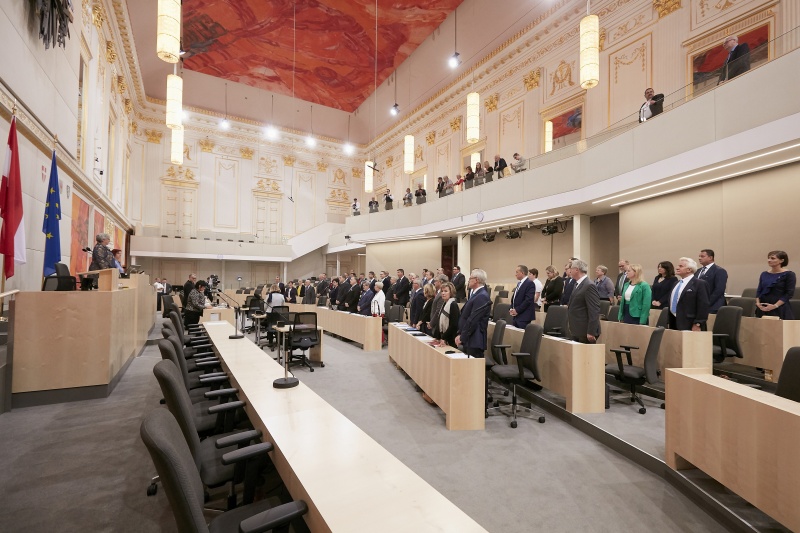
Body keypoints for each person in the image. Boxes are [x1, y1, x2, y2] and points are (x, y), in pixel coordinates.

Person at [455, 269, 492, 358]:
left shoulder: (482, 296)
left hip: (474, 340)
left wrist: (462, 337)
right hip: (470, 339)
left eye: (470, 278)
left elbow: (473, 319)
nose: (468, 280)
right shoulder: (476, 294)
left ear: (476, 280)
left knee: (473, 370)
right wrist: (460, 333)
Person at [668, 257, 710, 331]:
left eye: (681, 266)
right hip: (674, 322)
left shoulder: (699, 284)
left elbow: (703, 305)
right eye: (678, 266)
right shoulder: (676, 283)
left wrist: (698, 323)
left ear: (689, 269)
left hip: (690, 324)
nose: (677, 268)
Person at [566, 259, 601, 344]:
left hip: (585, 331)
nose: (570, 270)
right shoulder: (577, 284)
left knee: (586, 356)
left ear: (577, 269)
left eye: (571, 268)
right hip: (576, 328)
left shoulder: (589, 285)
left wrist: (591, 331)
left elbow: (594, 310)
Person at [755, 250, 795, 320]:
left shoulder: (789, 274)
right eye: (769, 258)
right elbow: (759, 290)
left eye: (773, 258)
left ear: (781, 260)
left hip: (779, 307)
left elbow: (789, 293)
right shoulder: (764, 274)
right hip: (763, 307)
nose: (769, 260)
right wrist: (758, 303)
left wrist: (775, 305)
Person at [697, 249, 728, 314]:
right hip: (699, 305)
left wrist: (706, 303)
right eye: (699, 256)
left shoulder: (719, 271)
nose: (699, 258)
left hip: (713, 306)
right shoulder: (698, 271)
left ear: (710, 257)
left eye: (702, 256)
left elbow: (719, 290)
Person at [431, 282, 460, 348]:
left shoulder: (453, 304)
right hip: (443, 337)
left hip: (450, 339)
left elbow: (454, 325)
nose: (443, 293)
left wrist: (444, 337)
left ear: (451, 292)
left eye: (446, 291)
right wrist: (438, 337)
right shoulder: (444, 304)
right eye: (442, 291)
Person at [509, 265, 536, 329]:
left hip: (524, 316)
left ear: (522, 273)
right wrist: (511, 308)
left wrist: (517, 310)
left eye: (517, 272)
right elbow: (514, 298)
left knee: (521, 337)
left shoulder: (530, 283)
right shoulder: (519, 283)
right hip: (516, 315)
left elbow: (528, 300)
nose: (515, 274)